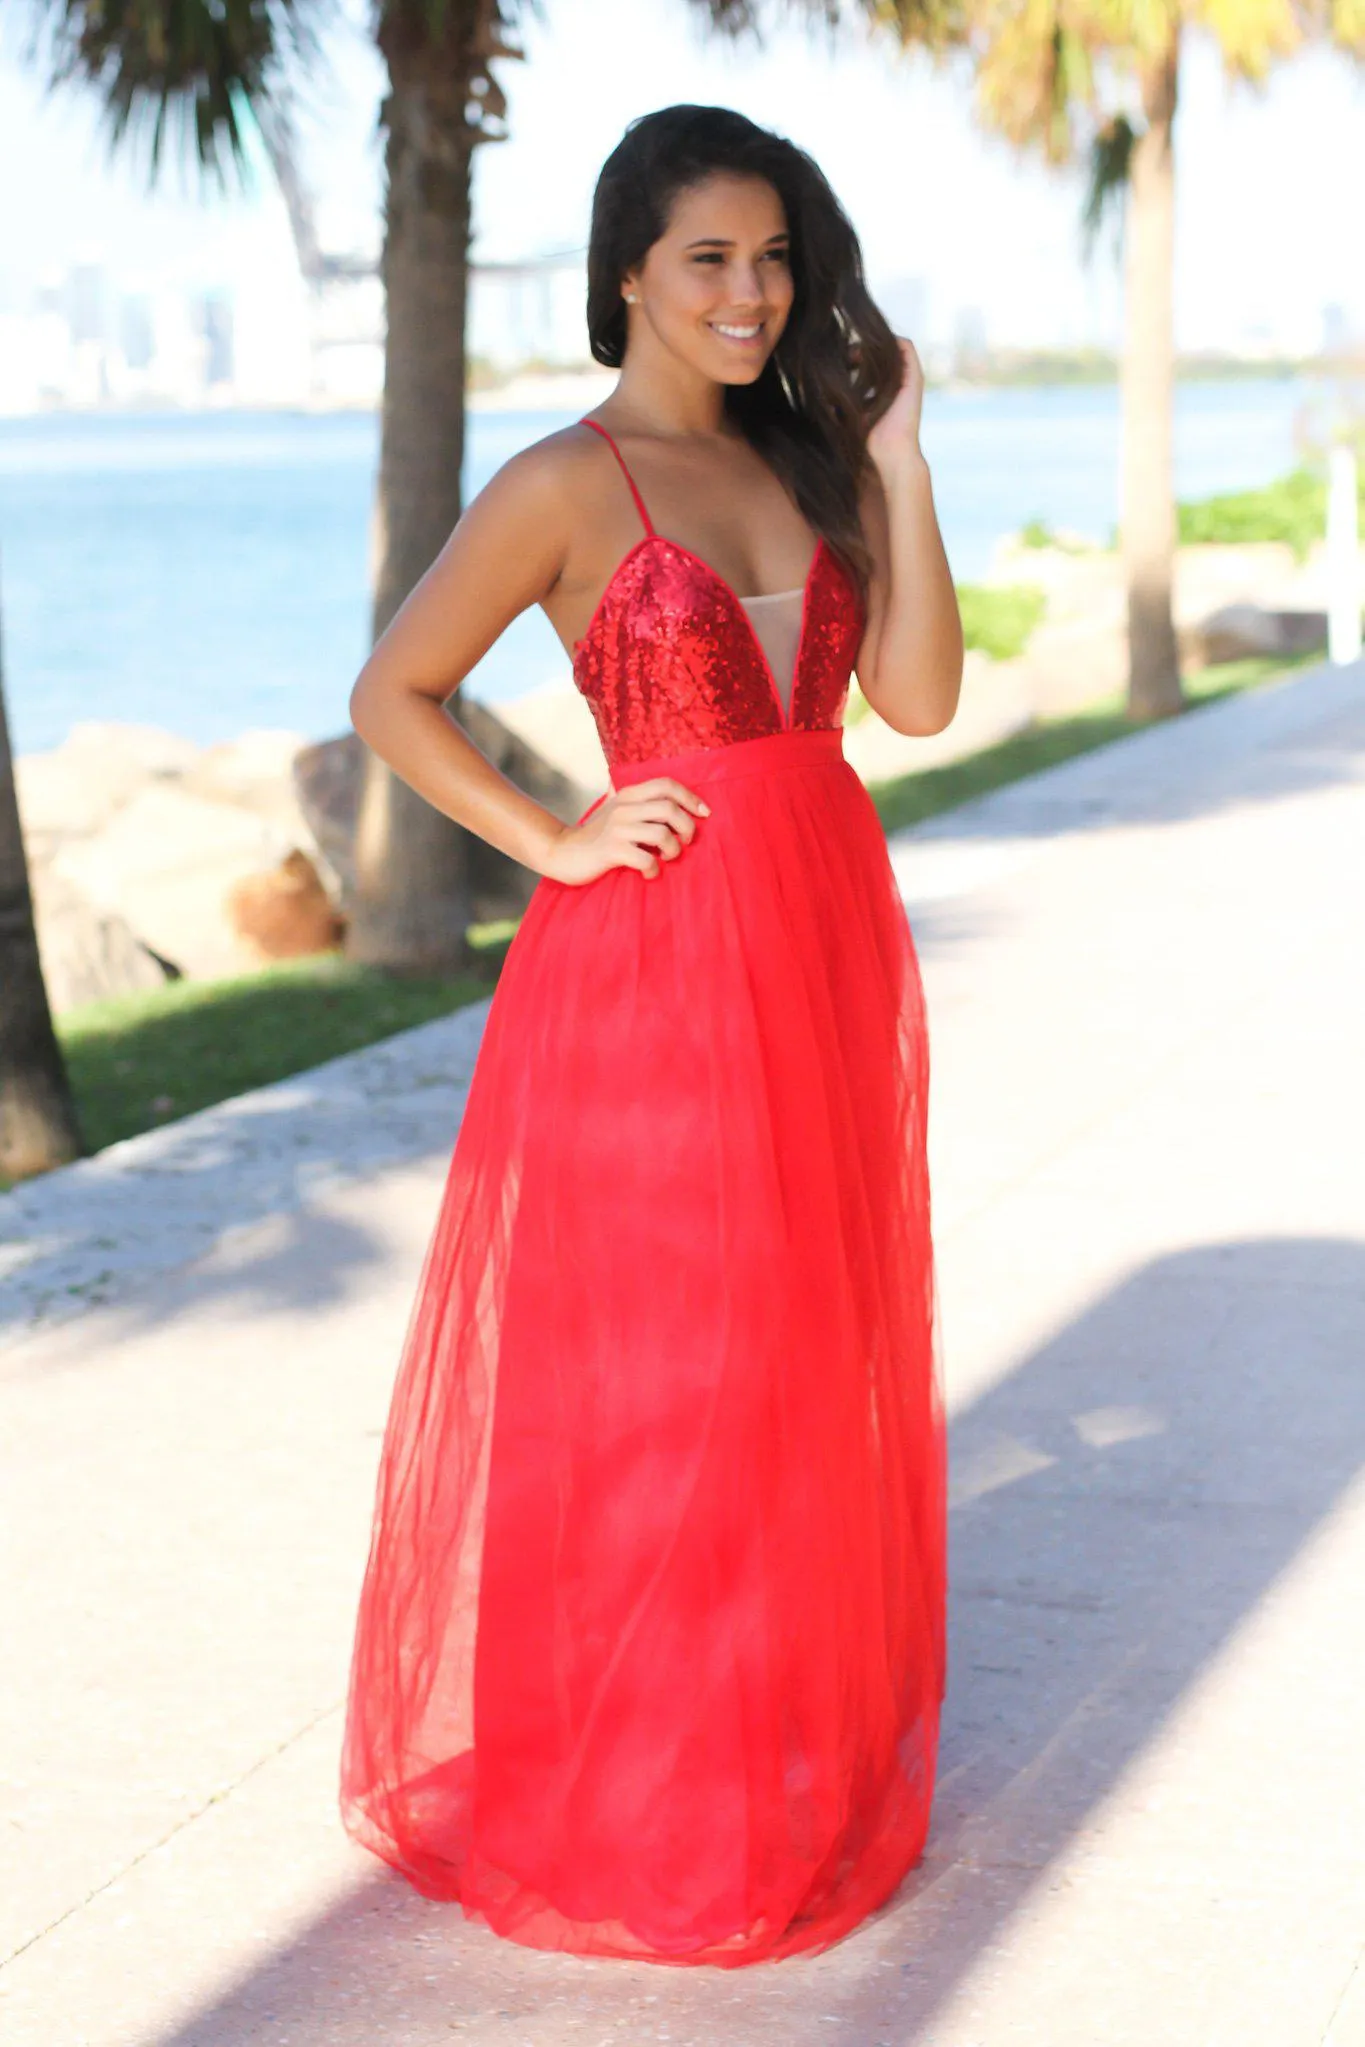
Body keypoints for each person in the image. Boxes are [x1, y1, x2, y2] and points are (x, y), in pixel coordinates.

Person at [339, 103, 963, 1968]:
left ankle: (766, 1750)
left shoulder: (813, 459)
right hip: (658, 966)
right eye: (711, 258)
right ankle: (649, 1790)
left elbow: (916, 697)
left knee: (801, 1348)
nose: (753, 293)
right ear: (628, 270)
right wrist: (555, 835)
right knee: (669, 1375)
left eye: (776, 257)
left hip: (826, 948)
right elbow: (394, 692)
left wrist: (905, 457)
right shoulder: (565, 481)